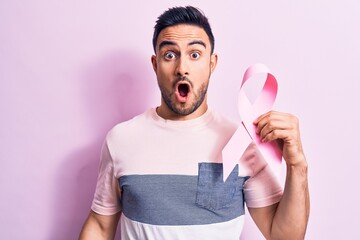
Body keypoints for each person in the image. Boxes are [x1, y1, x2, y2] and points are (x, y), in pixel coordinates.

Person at [79, 6, 309, 240]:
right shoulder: (121, 140)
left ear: (212, 63)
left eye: (195, 54)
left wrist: (298, 165)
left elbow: (286, 237)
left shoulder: (241, 143)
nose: (182, 68)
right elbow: (100, 226)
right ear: (155, 64)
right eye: (170, 55)